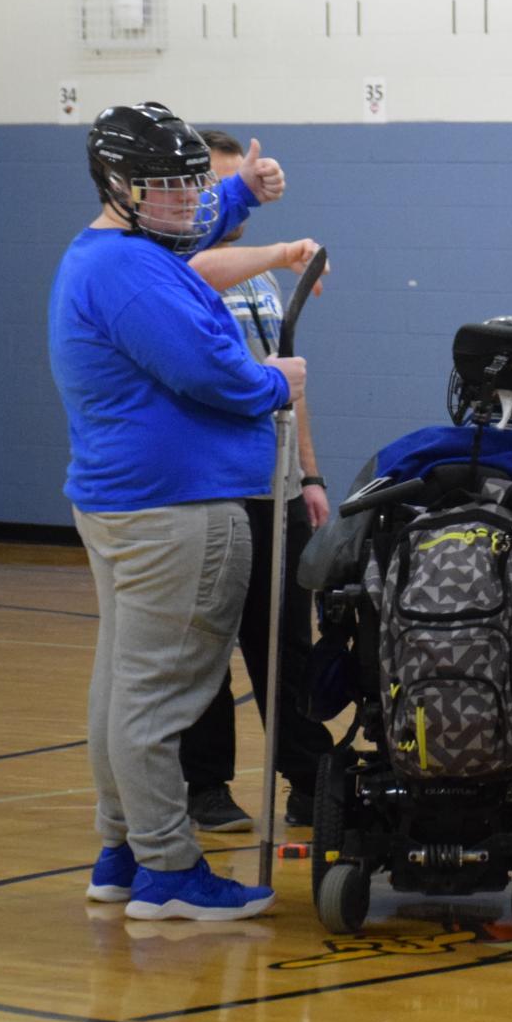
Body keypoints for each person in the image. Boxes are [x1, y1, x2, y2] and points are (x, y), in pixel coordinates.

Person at [50, 102, 301, 921]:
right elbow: (212, 375)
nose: (189, 201)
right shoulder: (126, 271)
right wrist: (277, 383)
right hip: (173, 511)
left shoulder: (121, 252)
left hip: (133, 502)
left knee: (121, 688)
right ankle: (165, 868)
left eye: (196, 185)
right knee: (156, 697)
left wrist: (243, 196)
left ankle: (122, 851)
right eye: (170, 187)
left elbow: (181, 243)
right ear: (121, 188)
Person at [171, 128, 334, 833]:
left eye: (235, 186)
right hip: (210, 489)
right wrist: (283, 248)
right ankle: (204, 788)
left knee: (288, 643)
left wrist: (310, 474)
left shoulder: (261, 282)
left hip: (277, 488)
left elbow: (289, 384)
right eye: (215, 187)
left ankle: (307, 777)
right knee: (207, 642)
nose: (230, 201)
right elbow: (202, 270)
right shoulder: (174, 267)